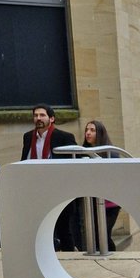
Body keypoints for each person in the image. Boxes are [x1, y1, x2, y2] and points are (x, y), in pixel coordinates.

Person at [21, 104, 80, 250]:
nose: (38, 118)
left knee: (64, 229)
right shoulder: (28, 137)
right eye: (35, 115)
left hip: (60, 190)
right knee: (41, 229)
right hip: (37, 191)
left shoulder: (64, 137)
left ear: (51, 118)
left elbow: (75, 162)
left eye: (42, 115)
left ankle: (69, 258)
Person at [82, 119, 121, 251]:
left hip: (110, 203)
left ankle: (113, 257)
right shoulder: (82, 153)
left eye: (92, 130)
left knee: (103, 234)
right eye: (87, 130)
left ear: (100, 133)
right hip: (91, 201)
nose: (88, 133)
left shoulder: (111, 153)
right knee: (95, 235)